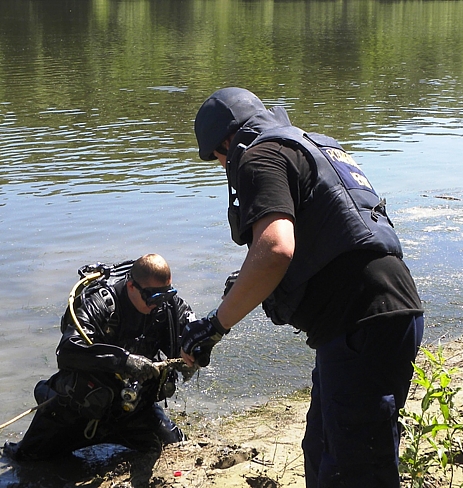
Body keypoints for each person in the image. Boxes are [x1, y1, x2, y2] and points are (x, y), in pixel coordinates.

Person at [181, 87, 424, 488]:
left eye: (218, 158)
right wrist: (246, 283)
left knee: (355, 472)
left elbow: (276, 249)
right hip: (383, 312)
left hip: (359, 321)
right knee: (322, 449)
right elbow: (331, 235)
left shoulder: (258, 156)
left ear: (226, 142)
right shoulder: (310, 146)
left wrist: (215, 326)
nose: (223, 165)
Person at [0, 254, 196, 473]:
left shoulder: (166, 306)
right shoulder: (101, 303)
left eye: (165, 296)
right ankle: (48, 393)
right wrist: (124, 361)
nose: (158, 304)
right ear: (131, 286)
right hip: (79, 412)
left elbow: (194, 328)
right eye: (152, 298)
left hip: (133, 411)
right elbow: (67, 351)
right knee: (25, 462)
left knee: (177, 447)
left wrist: (196, 347)